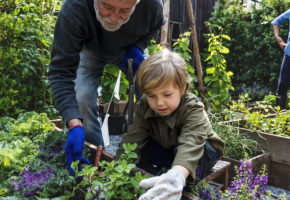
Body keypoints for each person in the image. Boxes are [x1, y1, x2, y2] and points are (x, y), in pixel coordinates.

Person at [48, 0, 165, 176]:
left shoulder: (152, 4)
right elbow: (60, 71)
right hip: (90, 50)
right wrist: (72, 121)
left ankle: (154, 153)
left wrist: (138, 47)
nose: (114, 17)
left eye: (125, 10)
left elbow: (154, 26)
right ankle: (94, 162)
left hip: (129, 49)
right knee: (82, 98)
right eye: (107, 7)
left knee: (155, 88)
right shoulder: (74, 8)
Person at [115, 49, 225, 200]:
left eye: (167, 95)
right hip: (168, 148)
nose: (159, 103)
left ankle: (178, 182)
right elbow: (132, 139)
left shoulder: (193, 107)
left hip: (203, 151)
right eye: (152, 95)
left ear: (183, 89)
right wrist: (113, 175)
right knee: (140, 147)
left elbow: (191, 142)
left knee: (188, 154)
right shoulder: (144, 106)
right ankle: (150, 182)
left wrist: (177, 175)